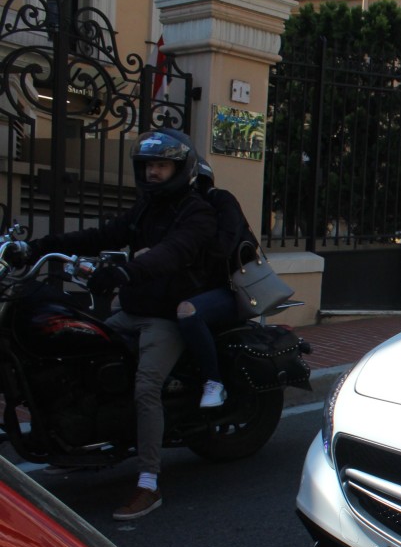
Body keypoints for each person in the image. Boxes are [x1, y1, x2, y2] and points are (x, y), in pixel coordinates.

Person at [24, 128, 218, 520]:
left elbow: (171, 253)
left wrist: (126, 273)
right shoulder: (146, 208)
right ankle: (79, 447)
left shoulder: (197, 211)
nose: (152, 173)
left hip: (164, 316)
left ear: (180, 169)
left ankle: (148, 482)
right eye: (147, 166)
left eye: (161, 166)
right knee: (81, 356)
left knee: (145, 387)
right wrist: (43, 245)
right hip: (132, 310)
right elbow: (103, 234)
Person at [176, 158, 256, 410]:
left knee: (189, 312)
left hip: (233, 288)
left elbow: (224, 246)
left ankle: (214, 382)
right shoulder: (176, 209)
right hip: (201, 285)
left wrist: (184, 252)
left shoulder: (220, 201)